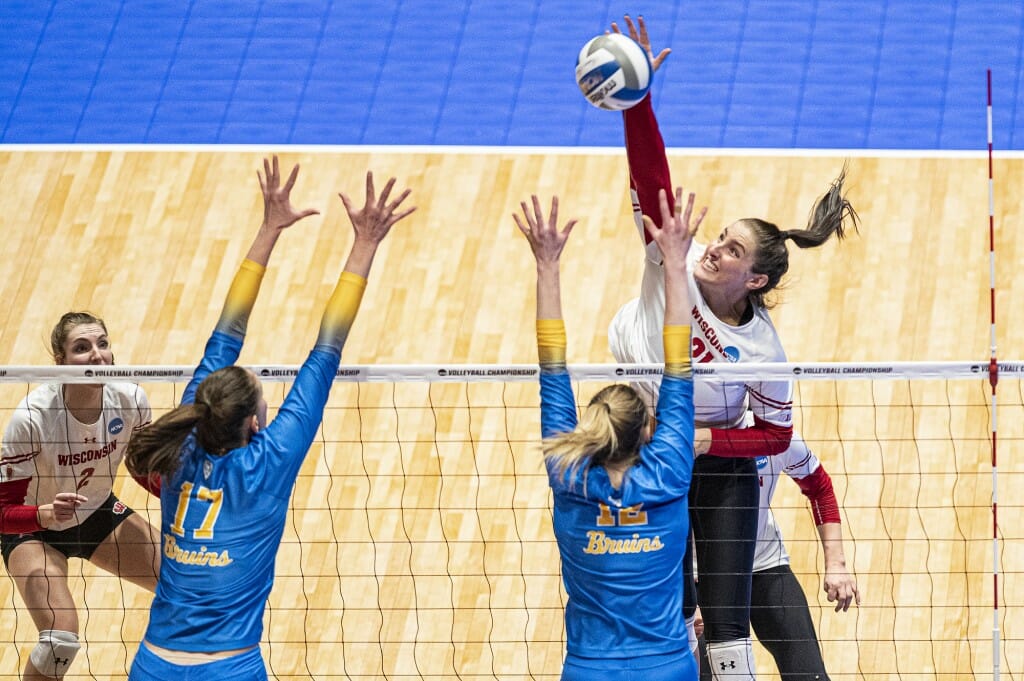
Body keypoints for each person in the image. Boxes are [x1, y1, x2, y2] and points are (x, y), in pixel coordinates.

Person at [605, 15, 859, 680]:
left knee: (720, 639)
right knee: (664, 628)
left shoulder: (763, 349)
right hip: (636, 429)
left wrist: (708, 444)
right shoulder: (675, 265)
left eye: (732, 248)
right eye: (719, 236)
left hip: (697, 456)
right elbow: (651, 182)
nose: (713, 247)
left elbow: (776, 437)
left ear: (757, 279)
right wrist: (640, 104)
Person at [123, 157, 414, 680]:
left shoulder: (182, 442)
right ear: (256, 425)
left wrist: (267, 229)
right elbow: (327, 347)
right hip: (229, 668)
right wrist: (365, 243)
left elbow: (225, 333)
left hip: (153, 664)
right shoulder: (271, 460)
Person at [517, 188, 698, 681]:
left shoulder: (568, 472)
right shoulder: (669, 471)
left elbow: (551, 365)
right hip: (668, 670)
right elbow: (678, 360)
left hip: (589, 672)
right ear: (649, 430)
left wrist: (546, 265)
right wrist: (675, 265)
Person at [0, 312, 160, 680]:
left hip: (96, 513)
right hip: (33, 530)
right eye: (82, 348)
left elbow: (140, 467)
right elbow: (3, 511)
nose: (97, 355)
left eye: (102, 344)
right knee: (60, 640)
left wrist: (185, 497)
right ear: (61, 363)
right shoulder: (33, 418)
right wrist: (42, 515)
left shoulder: (131, 399)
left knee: (189, 585)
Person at [697, 432, 861, 681]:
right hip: (701, 574)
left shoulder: (775, 436)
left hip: (764, 563)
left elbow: (820, 487)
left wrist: (836, 564)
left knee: (809, 675)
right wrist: (684, 599)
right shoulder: (689, 442)